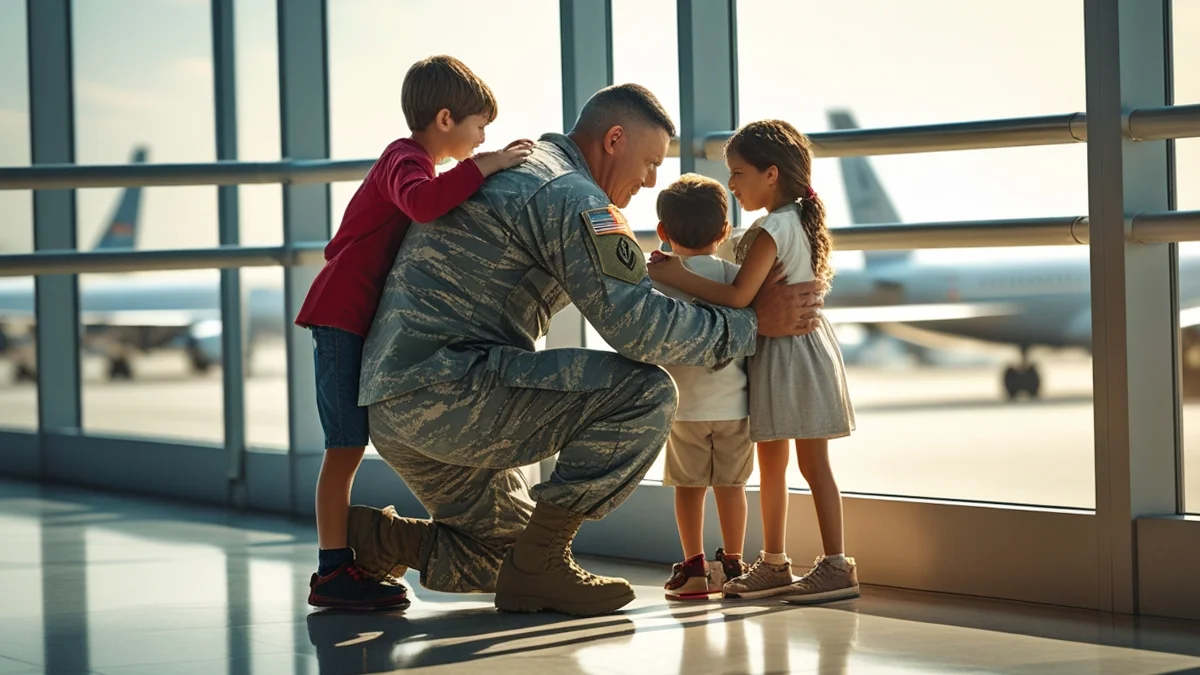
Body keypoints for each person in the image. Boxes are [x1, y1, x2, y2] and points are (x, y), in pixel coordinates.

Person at [344, 84, 827, 617]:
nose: (650, 181)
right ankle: (545, 565)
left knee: (503, 559)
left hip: (403, 404)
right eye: (648, 163)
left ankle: (378, 538)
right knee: (645, 394)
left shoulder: (531, 171)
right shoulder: (573, 196)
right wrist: (754, 325)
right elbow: (638, 328)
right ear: (614, 139)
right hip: (450, 392)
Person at [293, 54, 533, 609]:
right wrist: (491, 165)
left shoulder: (414, 160)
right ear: (446, 119)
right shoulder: (404, 158)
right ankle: (331, 571)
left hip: (353, 317)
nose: (482, 140)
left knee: (349, 447)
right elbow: (425, 204)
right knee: (344, 448)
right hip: (338, 315)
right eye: (480, 128)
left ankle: (344, 560)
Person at [647, 119, 859, 605]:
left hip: (786, 353)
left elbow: (739, 295)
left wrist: (677, 273)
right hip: (791, 350)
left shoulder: (770, 229)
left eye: (738, 173)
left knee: (799, 463)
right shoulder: (795, 221)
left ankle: (831, 565)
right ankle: (776, 562)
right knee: (783, 463)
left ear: (770, 174)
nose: (732, 184)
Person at [650, 174, 752, 600]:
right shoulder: (734, 278)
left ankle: (693, 569)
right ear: (724, 232)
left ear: (662, 232)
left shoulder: (658, 280)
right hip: (735, 407)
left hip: (683, 408)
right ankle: (733, 565)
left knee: (689, 490)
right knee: (732, 489)